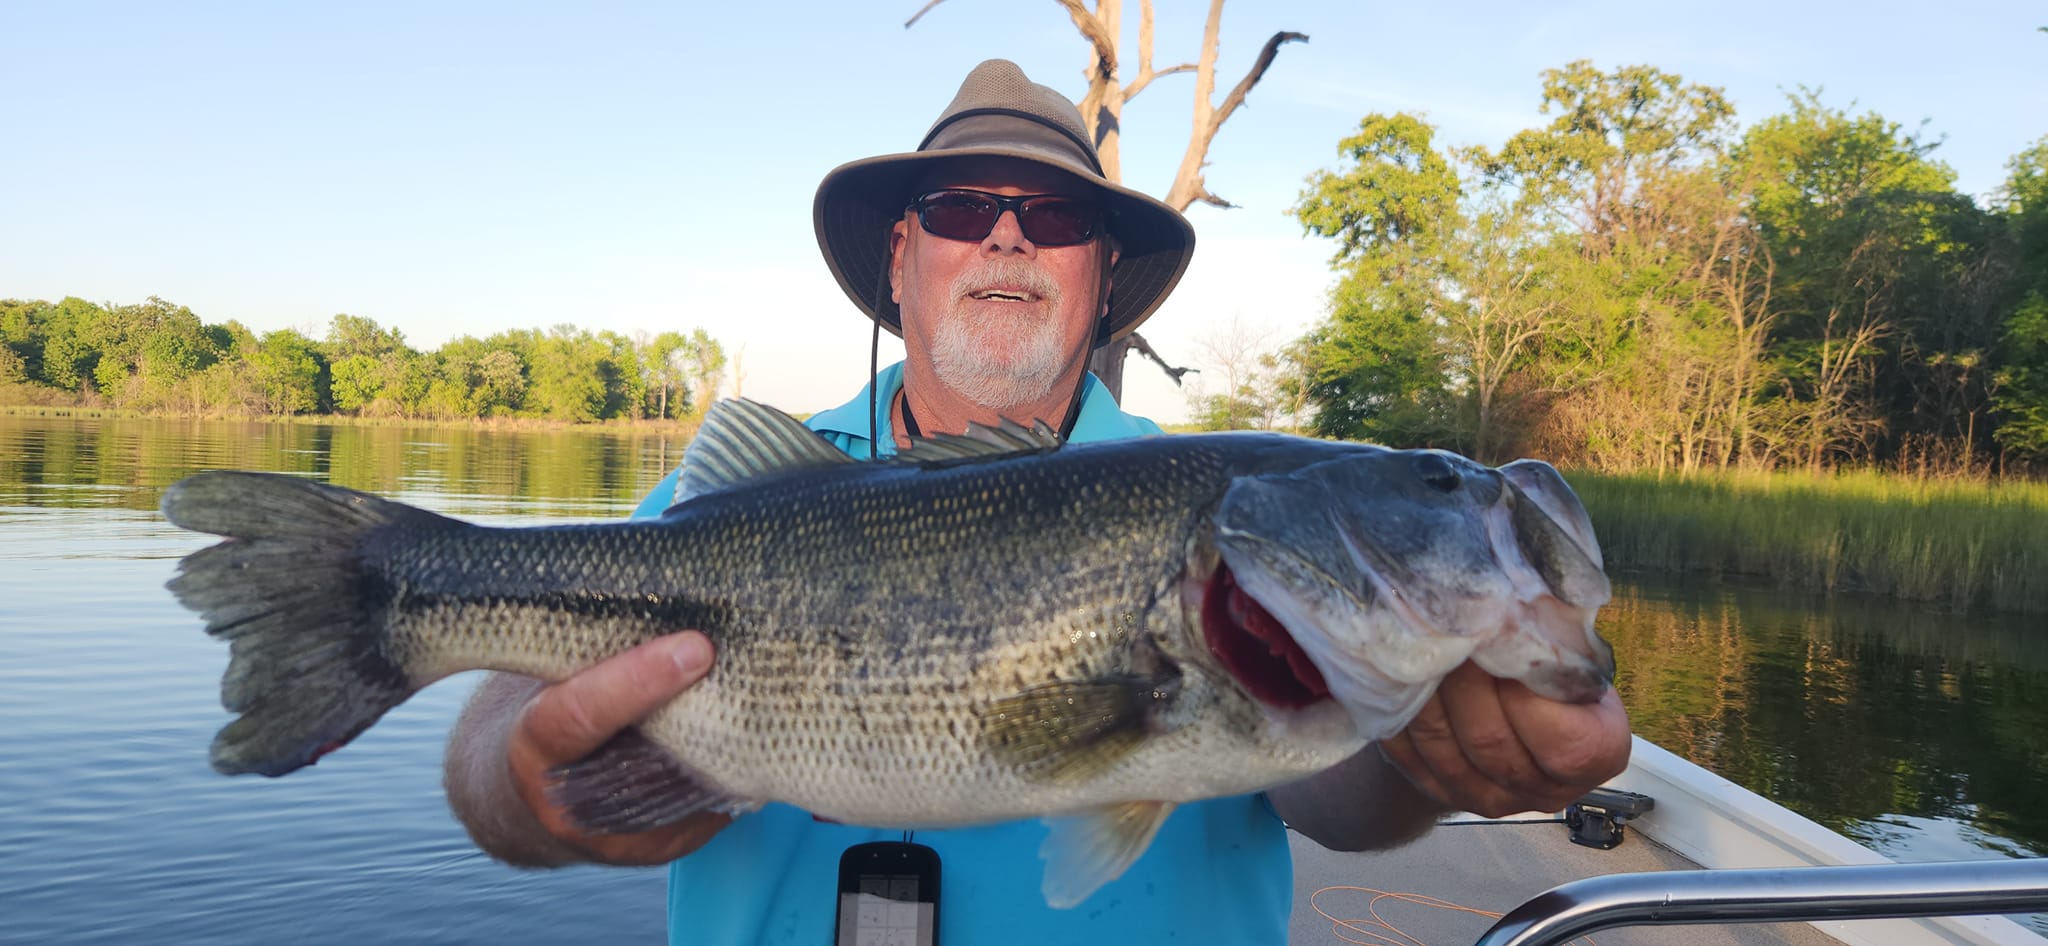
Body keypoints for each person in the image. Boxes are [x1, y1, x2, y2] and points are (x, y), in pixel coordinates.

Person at [442, 59, 1632, 944]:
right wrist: (527, 786)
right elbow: (491, 746)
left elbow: (1334, 795)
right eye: (961, 211)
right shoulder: (750, 496)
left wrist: (1430, 760)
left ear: (1102, 274)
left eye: (1054, 219)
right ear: (899, 258)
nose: (1007, 239)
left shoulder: (1193, 503)